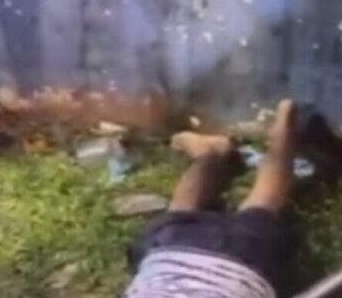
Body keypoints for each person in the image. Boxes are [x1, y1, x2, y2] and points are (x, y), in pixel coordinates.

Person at [125, 100, 300, 298]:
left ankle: (283, 131)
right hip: (171, 252)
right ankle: (211, 154)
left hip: (242, 266)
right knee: (180, 210)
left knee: (263, 204)